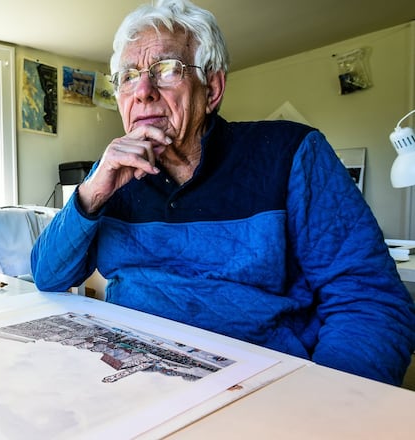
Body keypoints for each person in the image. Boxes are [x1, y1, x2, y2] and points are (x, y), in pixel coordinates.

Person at [30, 0, 415, 386]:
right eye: (128, 76)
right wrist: (92, 192)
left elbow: (371, 303)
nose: (143, 91)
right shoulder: (112, 172)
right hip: (129, 379)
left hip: (260, 387)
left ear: (212, 89)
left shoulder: (290, 153)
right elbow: (48, 276)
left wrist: (325, 403)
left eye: (166, 69)